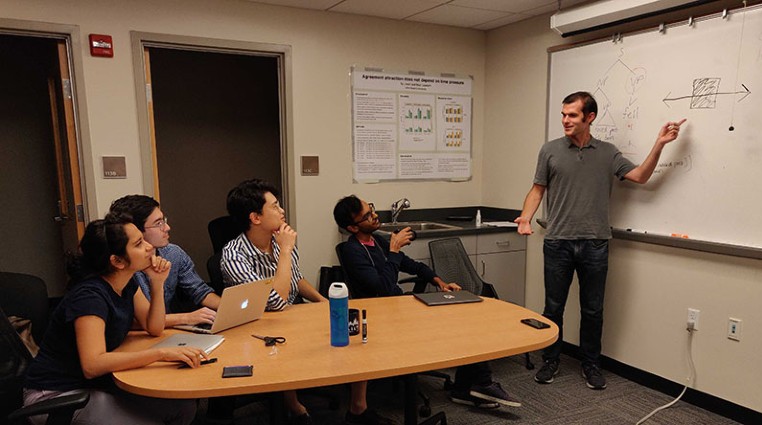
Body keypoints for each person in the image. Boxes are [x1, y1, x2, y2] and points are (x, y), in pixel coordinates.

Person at [515, 91, 686, 390]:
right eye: (563, 115)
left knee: (592, 309)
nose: (565, 120)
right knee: (553, 307)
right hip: (558, 242)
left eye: (572, 115)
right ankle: (550, 360)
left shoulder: (608, 153)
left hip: (596, 243)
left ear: (589, 117)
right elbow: (537, 189)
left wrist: (659, 144)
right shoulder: (550, 150)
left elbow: (641, 177)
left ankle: (591, 363)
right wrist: (526, 217)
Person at [220, 179, 393, 425]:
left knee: (349, 325)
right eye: (275, 206)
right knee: (286, 343)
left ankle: (358, 407)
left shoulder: (279, 240)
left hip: (291, 313)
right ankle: (293, 406)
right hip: (258, 326)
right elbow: (276, 303)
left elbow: (296, 280)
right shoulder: (234, 256)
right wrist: (287, 251)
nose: (282, 211)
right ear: (255, 217)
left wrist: (325, 303)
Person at [333, 195, 521, 409]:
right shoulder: (352, 251)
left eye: (372, 209)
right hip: (381, 315)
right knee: (455, 320)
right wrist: (394, 251)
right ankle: (475, 385)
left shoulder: (376, 241)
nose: (375, 216)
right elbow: (383, 288)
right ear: (353, 227)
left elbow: (410, 265)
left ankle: (470, 385)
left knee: (464, 313)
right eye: (367, 216)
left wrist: (439, 281)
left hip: (398, 306)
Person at [23, 213, 207, 425]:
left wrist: (156, 284)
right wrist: (161, 353)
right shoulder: (89, 297)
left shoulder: (126, 282)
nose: (149, 247)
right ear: (117, 261)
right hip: (57, 394)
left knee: (182, 407)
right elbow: (92, 364)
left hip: (93, 385)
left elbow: (153, 327)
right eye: (138, 244)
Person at [110, 195, 220, 327]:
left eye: (164, 220)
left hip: (164, 331)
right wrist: (186, 318)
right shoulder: (124, 267)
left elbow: (199, 291)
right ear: (135, 231)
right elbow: (131, 321)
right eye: (158, 224)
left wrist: (229, 309)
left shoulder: (173, 253)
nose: (167, 227)